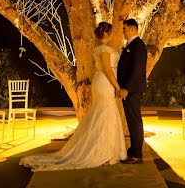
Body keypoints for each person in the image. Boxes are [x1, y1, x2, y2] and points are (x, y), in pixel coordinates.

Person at [20, 21, 126, 170]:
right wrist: (117, 86)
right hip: (106, 82)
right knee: (106, 113)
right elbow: (108, 70)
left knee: (103, 113)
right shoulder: (105, 50)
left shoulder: (98, 49)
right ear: (108, 33)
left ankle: (107, 150)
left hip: (101, 81)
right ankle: (104, 151)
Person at [116, 18, 147, 164]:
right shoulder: (130, 45)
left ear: (133, 29)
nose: (123, 31)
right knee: (131, 120)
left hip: (132, 90)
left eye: (125, 29)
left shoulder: (138, 46)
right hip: (129, 90)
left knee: (134, 121)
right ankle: (134, 149)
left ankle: (137, 155)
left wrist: (126, 88)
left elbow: (137, 70)